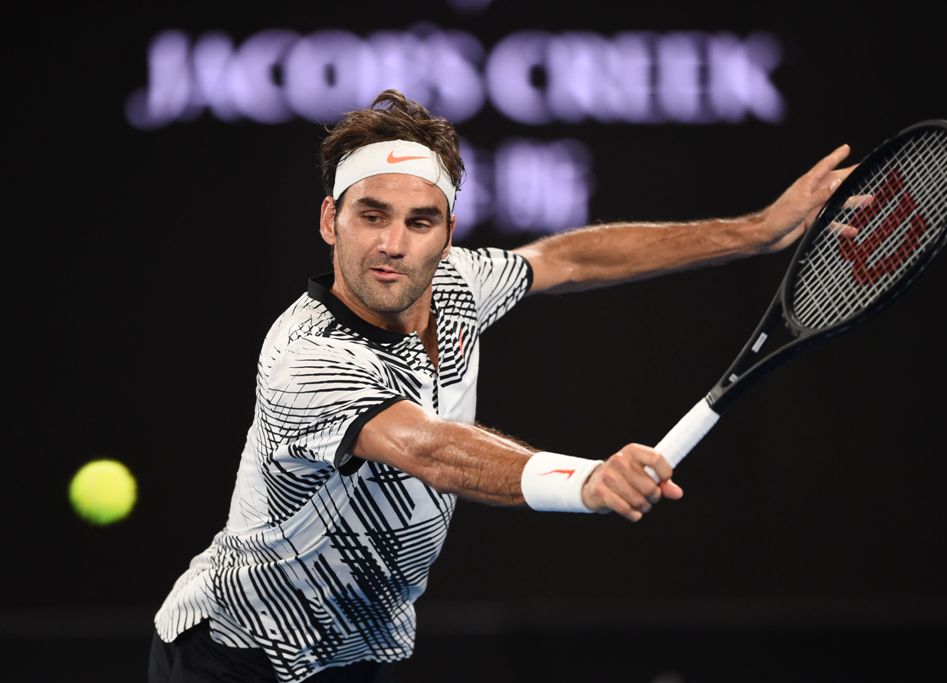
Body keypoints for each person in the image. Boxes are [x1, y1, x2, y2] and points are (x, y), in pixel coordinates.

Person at [149, 88, 854, 682]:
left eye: (419, 221)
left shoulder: (457, 281)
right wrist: (585, 481)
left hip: (352, 653)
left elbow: (568, 258)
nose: (393, 244)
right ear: (330, 220)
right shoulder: (304, 356)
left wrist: (757, 231)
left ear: (446, 230)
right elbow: (430, 450)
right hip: (234, 657)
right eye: (371, 215)